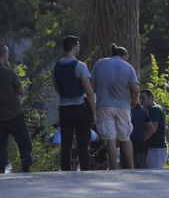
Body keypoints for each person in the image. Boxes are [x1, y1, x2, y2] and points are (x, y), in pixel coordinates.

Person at [0, 44, 33, 173]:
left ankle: (1, 169)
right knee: (24, 141)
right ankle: (26, 168)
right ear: (4, 54)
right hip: (14, 113)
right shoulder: (9, 72)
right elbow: (21, 91)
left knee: (0, 145)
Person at [91, 44, 139, 170]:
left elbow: (92, 85)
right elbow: (135, 88)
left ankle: (114, 169)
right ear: (126, 55)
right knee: (125, 138)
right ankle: (131, 168)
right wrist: (134, 102)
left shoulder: (100, 63)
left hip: (104, 106)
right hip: (123, 106)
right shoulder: (128, 67)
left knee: (110, 139)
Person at [52, 35, 97, 171]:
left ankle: (65, 169)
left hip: (64, 108)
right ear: (73, 47)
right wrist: (94, 112)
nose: (79, 47)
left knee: (66, 142)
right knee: (83, 142)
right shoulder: (80, 66)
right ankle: (85, 169)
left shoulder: (56, 66)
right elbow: (89, 92)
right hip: (79, 108)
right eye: (78, 45)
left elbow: (57, 87)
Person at [141, 89, 167, 169]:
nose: (141, 101)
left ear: (151, 98)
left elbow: (153, 129)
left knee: (157, 176)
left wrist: (141, 141)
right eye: (140, 98)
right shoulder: (154, 109)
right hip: (156, 149)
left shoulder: (154, 109)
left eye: (143, 98)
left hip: (156, 149)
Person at [124, 101, 152, 169]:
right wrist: (143, 138)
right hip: (140, 144)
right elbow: (151, 128)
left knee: (127, 169)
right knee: (141, 169)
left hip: (126, 144)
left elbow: (151, 129)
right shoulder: (143, 111)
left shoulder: (124, 111)